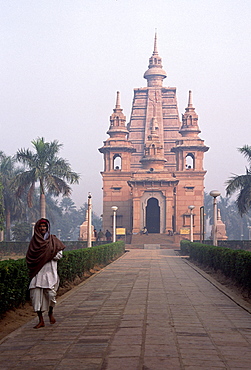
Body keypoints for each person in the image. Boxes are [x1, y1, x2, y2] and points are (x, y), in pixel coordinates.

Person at [26, 218, 66, 329]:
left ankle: (50, 312)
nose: (42, 228)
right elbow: (30, 256)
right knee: (35, 297)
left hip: (50, 272)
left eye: (44, 226)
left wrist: (48, 255)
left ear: (47, 228)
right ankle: (41, 320)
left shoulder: (53, 240)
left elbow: (59, 255)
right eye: (40, 226)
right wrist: (44, 256)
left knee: (51, 295)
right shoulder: (34, 241)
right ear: (37, 228)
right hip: (38, 273)